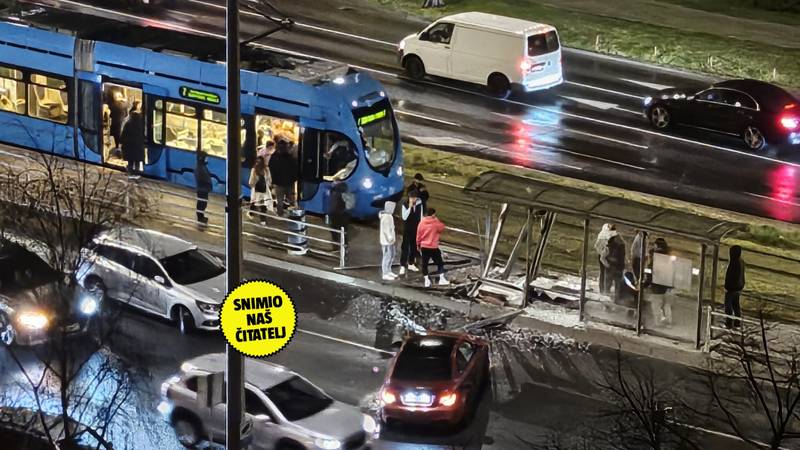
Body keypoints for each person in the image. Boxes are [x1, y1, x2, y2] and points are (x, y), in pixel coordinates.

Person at [416, 208, 448, 288]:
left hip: (424, 246)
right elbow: (442, 228)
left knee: (425, 264)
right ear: (433, 214)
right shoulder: (435, 222)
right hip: (433, 246)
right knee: (440, 263)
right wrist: (436, 219)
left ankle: (426, 280)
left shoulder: (421, 222)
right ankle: (441, 279)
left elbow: (418, 235)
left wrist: (418, 244)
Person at [645, 238, 672, 326]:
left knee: (656, 304)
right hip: (666, 284)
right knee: (666, 304)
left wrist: (645, 284)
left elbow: (650, 272)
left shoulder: (655, 257)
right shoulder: (668, 256)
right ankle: (668, 321)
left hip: (656, 285)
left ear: (656, 245)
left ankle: (659, 323)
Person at [269, 139, 297, 216]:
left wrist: (273, 181)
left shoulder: (274, 157)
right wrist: (294, 179)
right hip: (289, 182)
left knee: (279, 200)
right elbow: (295, 168)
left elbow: (271, 169)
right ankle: (293, 213)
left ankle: (280, 213)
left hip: (278, 183)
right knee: (291, 199)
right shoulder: (290, 157)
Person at [399, 189, 424, 275]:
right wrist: (409, 207)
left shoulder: (419, 205)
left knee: (414, 247)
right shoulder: (405, 205)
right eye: (411, 198)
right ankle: (402, 265)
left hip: (416, 229)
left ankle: (411, 263)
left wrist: (421, 228)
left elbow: (420, 217)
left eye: (414, 198)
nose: (412, 200)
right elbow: (404, 217)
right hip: (407, 229)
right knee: (405, 247)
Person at [120, 101, 145, 179]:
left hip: (129, 146)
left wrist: (121, 142)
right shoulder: (142, 124)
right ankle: (137, 173)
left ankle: (130, 173)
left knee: (130, 161)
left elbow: (123, 134)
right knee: (137, 160)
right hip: (138, 146)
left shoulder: (128, 123)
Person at [724, 245, 746, 329]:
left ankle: (729, 323)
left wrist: (728, 286)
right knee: (736, 306)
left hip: (732, 288)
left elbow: (732, 276)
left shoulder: (734, 262)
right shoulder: (741, 262)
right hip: (738, 287)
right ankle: (737, 323)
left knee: (728, 306)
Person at [248, 156, 272, 225]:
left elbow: (251, 181)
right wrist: (269, 185)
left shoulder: (255, 169)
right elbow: (269, 179)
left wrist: (251, 185)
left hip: (258, 189)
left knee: (258, 203)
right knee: (260, 204)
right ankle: (261, 219)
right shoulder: (266, 169)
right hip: (262, 189)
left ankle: (254, 215)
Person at [595, 223, 617, 294]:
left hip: (605, 253)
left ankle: (605, 289)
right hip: (603, 254)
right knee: (604, 272)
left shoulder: (609, 231)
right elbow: (598, 245)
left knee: (605, 272)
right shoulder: (605, 232)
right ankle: (603, 289)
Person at [606, 230, 626, 302]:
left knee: (613, 282)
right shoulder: (619, 245)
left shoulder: (616, 245)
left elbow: (619, 257)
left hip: (615, 267)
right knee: (615, 283)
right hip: (616, 267)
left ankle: (612, 297)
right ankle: (615, 298)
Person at [379, 201, 398, 281]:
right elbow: (386, 230)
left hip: (390, 241)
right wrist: (390, 238)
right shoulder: (386, 217)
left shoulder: (389, 216)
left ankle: (388, 270)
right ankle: (385, 273)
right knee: (387, 256)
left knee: (391, 255)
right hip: (387, 242)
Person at [328, 181, 350, 246]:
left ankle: (336, 244)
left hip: (335, 214)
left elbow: (333, 205)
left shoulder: (334, 193)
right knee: (343, 230)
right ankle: (344, 245)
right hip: (342, 214)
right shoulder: (344, 193)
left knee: (334, 229)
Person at [195, 151, 212, 226]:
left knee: (203, 203)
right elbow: (203, 178)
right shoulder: (200, 168)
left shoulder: (202, 166)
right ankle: (200, 218)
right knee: (201, 203)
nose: (207, 159)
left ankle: (201, 217)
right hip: (202, 189)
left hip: (204, 189)